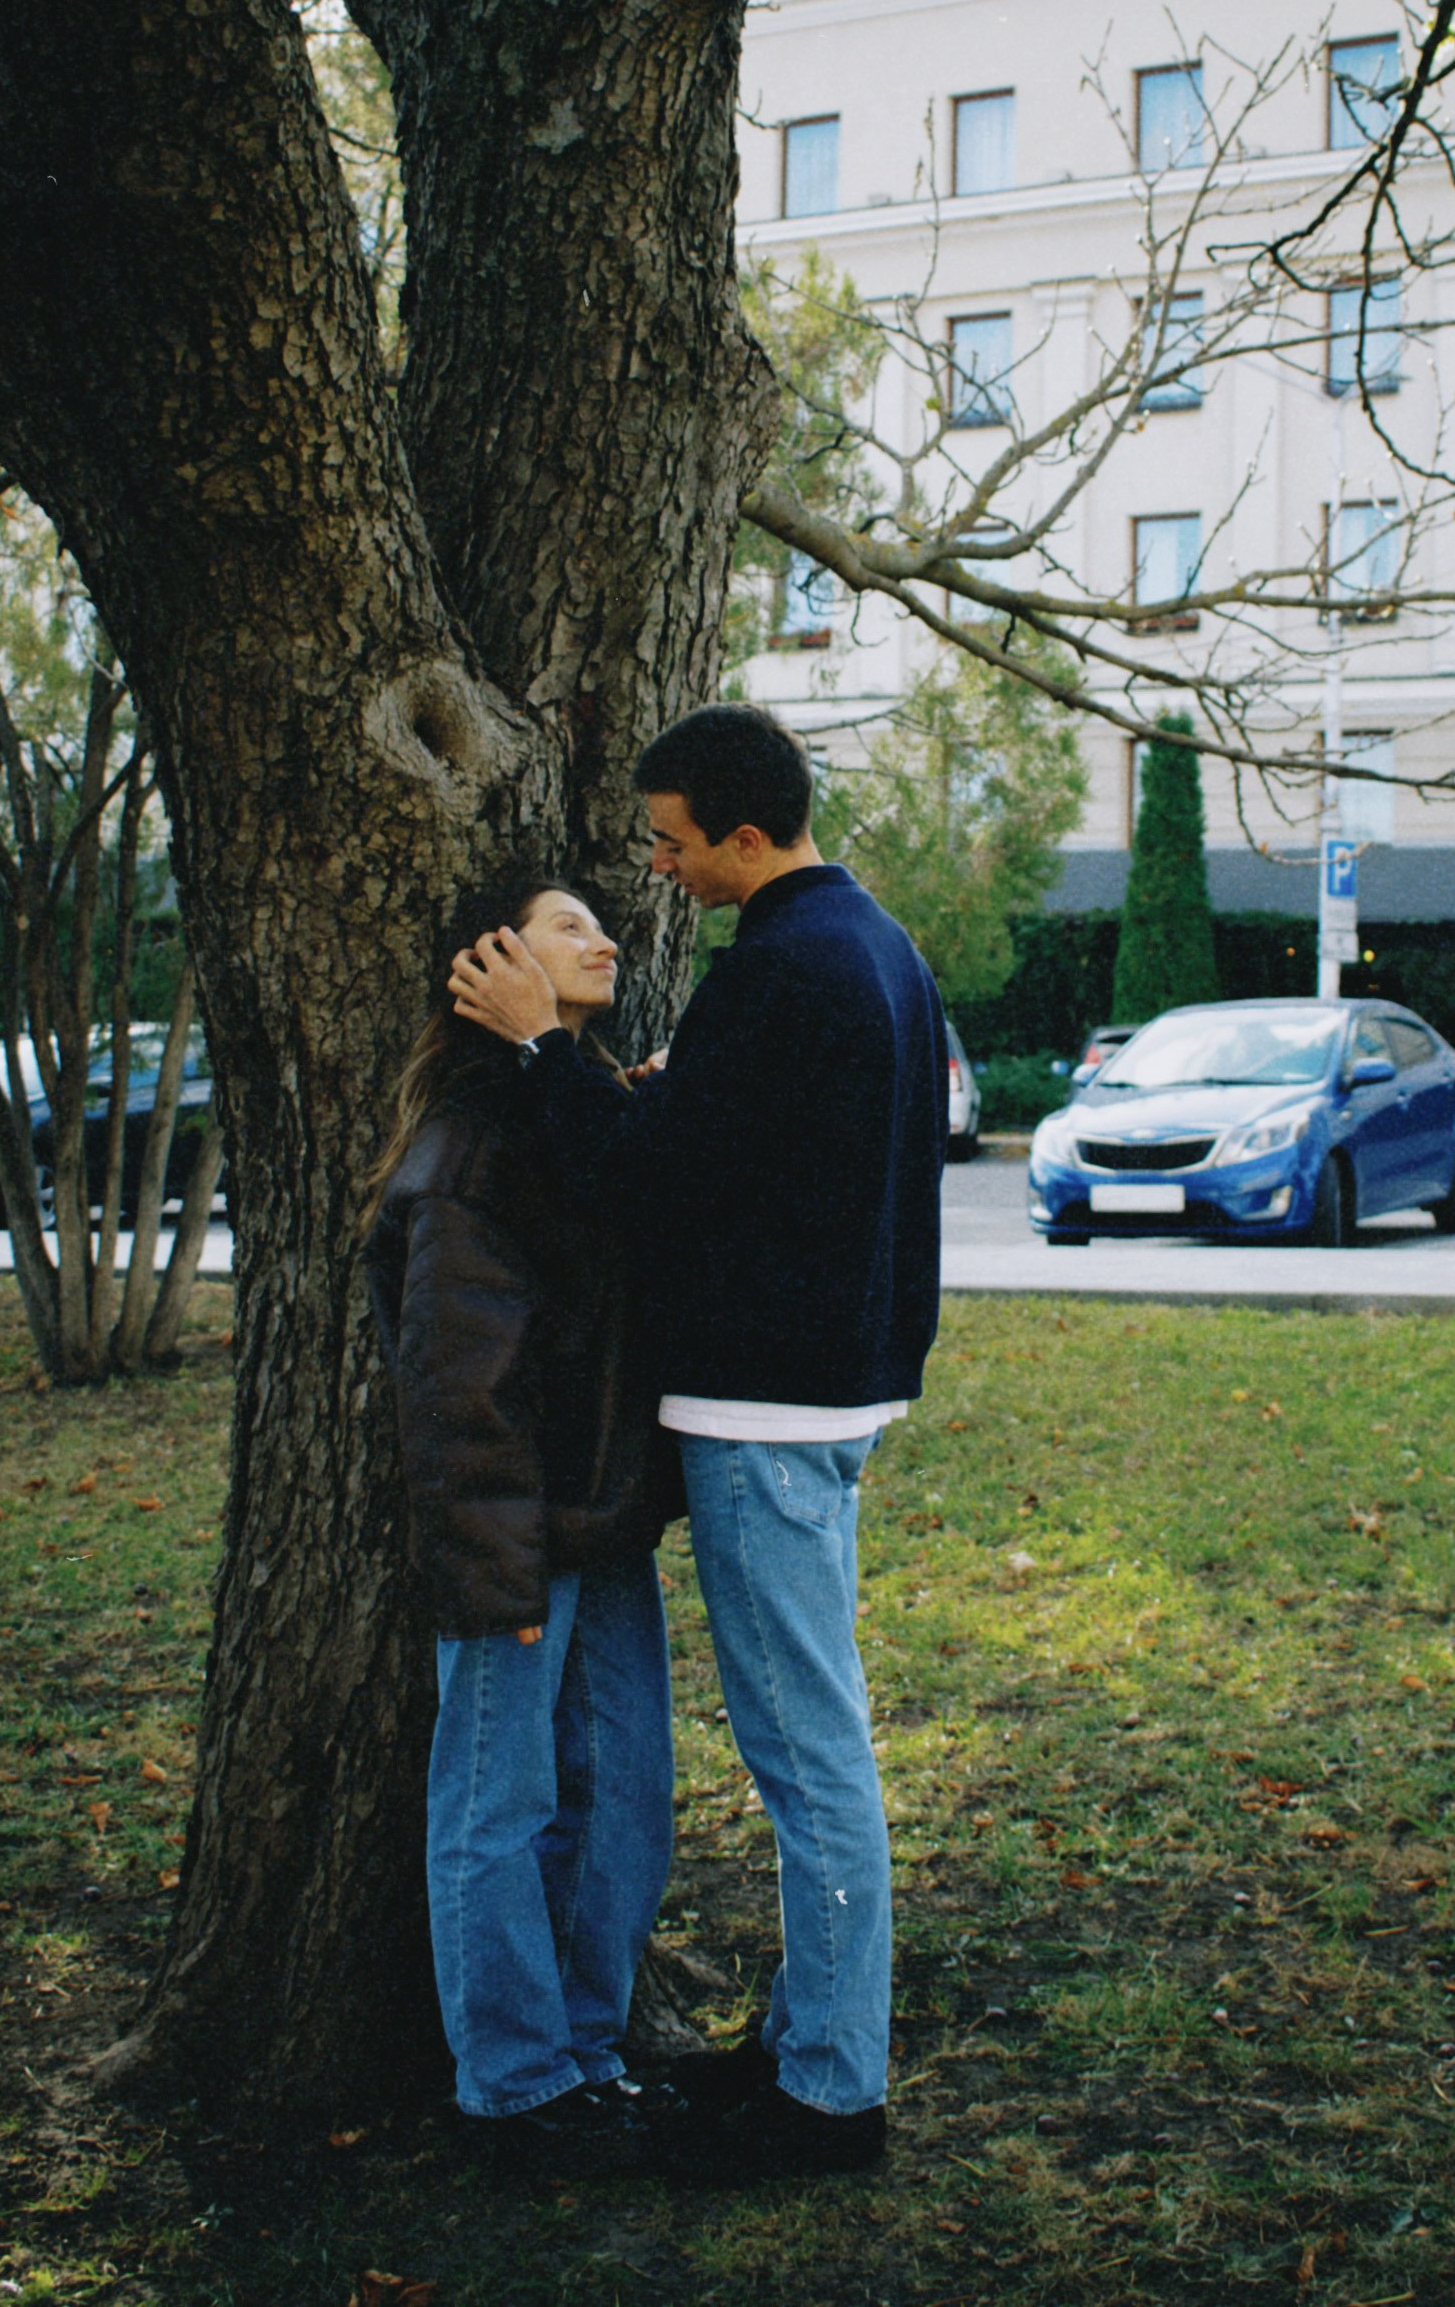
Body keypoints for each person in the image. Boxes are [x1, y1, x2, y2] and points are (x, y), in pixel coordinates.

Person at [448, 703, 948, 2187]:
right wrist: (671, 1100)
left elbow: (642, 1189)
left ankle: (832, 2093)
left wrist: (546, 1052)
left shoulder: (778, 970)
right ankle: (810, 2038)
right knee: (816, 1738)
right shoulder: (876, 948)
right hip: (840, 1391)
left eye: (670, 844)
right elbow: (773, 1157)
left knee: (808, 1756)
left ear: (743, 834)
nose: (658, 872)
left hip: (768, 1415)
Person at [361, 872, 683, 2176]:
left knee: (625, 1800)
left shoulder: (571, 1114)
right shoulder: (468, 1155)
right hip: (517, 1539)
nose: (604, 939)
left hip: (603, 1532)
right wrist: (502, 1572)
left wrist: (639, 1109)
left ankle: (589, 2058)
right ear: (495, 959)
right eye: (568, 926)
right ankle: (513, 2084)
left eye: (600, 923)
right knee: (498, 1805)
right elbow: (456, 1394)